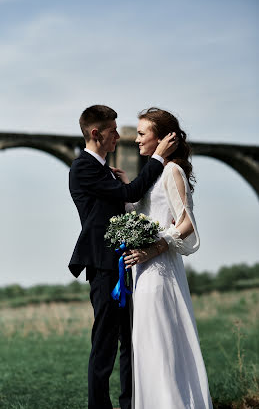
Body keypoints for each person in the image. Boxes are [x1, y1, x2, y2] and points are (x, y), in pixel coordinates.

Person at [68, 105, 178, 409]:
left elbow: (123, 197)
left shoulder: (103, 170)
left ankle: (130, 403)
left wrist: (118, 181)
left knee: (130, 341)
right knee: (104, 345)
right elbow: (130, 196)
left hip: (126, 263)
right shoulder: (83, 167)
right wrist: (157, 159)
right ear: (95, 133)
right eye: (113, 130)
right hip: (104, 267)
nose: (119, 136)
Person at [119, 108, 213, 409]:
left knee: (161, 342)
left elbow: (186, 224)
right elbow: (147, 212)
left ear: (160, 138)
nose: (135, 139)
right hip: (143, 270)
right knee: (147, 343)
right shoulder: (154, 172)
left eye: (142, 133)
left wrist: (154, 248)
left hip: (160, 269)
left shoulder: (172, 171)